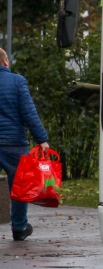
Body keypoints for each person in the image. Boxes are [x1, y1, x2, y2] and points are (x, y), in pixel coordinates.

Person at [0, 48, 50, 242]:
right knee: (20, 186)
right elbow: (29, 112)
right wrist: (42, 139)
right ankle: (19, 227)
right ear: (5, 62)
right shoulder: (17, 81)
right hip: (14, 144)